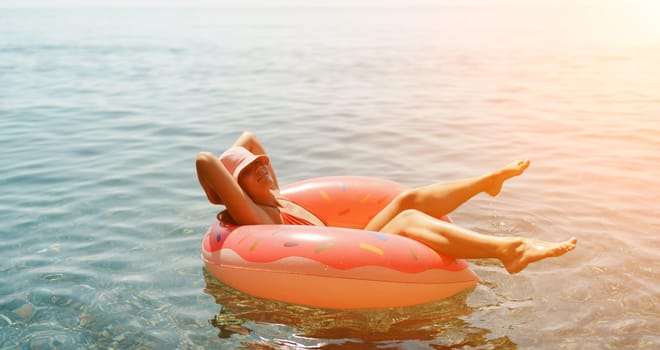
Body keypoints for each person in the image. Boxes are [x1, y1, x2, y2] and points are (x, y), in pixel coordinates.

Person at [196, 132, 577, 274]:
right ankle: (510, 250)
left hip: (343, 240)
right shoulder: (254, 215)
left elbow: (250, 138)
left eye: (264, 165)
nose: (263, 168)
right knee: (408, 218)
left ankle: (486, 183)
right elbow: (205, 161)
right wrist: (225, 184)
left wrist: (248, 160)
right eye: (252, 170)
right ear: (236, 189)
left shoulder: (275, 195)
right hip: (333, 258)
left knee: (407, 199)